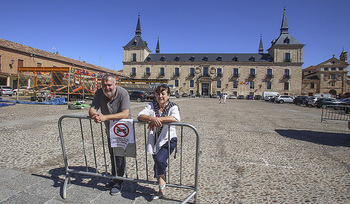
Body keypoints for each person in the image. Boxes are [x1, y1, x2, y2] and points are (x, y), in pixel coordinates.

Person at [89, 74, 131, 196]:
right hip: (109, 130)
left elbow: (125, 114)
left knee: (119, 156)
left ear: (115, 84)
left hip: (123, 130)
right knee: (112, 155)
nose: (107, 88)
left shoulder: (123, 93)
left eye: (109, 85)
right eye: (104, 85)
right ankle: (114, 178)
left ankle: (119, 181)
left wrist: (105, 117)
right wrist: (95, 115)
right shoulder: (99, 93)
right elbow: (92, 108)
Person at [137, 84, 180, 200]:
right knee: (158, 162)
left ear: (168, 95)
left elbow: (175, 118)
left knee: (160, 160)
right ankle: (161, 189)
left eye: (163, 93)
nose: (160, 96)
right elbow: (140, 116)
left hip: (169, 140)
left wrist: (157, 119)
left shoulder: (173, 106)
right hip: (155, 140)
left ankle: (161, 182)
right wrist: (151, 118)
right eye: (158, 93)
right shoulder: (151, 105)